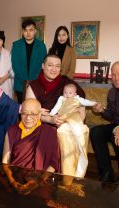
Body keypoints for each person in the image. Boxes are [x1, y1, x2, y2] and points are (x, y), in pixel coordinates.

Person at [25, 54, 86, 185]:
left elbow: (80, 99)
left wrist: (78, 108)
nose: (54, 69)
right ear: (43, 66)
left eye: (57, 66)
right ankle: (43, 176)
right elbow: (28, 112)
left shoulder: (66, 83)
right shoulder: (34, 85)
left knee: (66, 132)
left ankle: (60, 177)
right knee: (48, 133)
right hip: (42, 122)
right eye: (50, 65)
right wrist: (48, 118)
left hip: (63, 122)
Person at [90, 61, 119, 183]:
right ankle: (106, 172)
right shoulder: (112, 92)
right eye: (113, 74)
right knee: (96, 131)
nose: (116, 78)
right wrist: (101, 110)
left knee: (118, 135)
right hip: (117, 125)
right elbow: (111, 115)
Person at [2, 98, 60, 194]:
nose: (28, 117)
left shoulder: (50, 132)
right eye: (24, 113)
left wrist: (37, 182)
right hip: (15, 178)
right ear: (20, 113)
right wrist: (12, 181)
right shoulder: (12, 130)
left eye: (33, 114)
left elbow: (53, 164)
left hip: (40, 181)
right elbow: (5, 161)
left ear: (39, 115)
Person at [11, 19, 47, 103]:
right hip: (20, 83)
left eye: (31, 30)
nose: (28, 33)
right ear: (22, 31)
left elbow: (43, 65)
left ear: (35, 31)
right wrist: (25, 81)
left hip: (37, 83)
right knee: (22, 108)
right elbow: (15, 65)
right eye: (25, 30)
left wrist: (32, 81)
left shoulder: (41, 46)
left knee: (35, 108)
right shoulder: (16, 45)